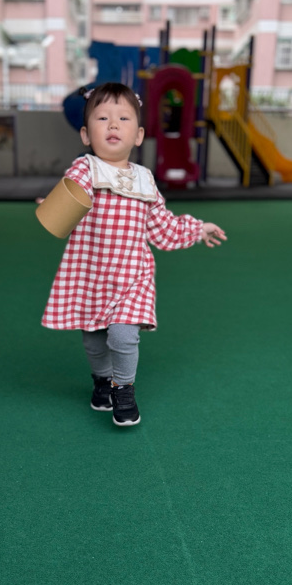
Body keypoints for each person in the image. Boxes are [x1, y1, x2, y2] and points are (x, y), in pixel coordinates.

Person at [41, 82, 226, 427]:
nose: (113, 124)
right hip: (91, 275)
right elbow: (66, 199)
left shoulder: (145, 180)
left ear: (138, 135)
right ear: (86, 134)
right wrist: (56, 203)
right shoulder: (85, 169)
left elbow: (162, 227)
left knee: (123, 335)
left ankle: (122, 388)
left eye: (124, 118)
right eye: (102, 118)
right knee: (94, 340)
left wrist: (197, 229)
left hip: (132, 276)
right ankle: (101, 380)